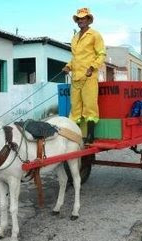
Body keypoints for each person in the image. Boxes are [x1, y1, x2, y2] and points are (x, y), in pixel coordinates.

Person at [62, 7, 106, 144]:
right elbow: (75, 57)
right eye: (79, 19)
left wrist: (92, 67)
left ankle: (91, 136)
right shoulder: (74, 38)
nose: (81, 20)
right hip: (75, 77)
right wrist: (68, 66)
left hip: (89, 76)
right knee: (75, 107)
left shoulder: (95, 35)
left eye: (83, 18)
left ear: (88, 20)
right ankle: (76, 136)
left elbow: (101, 54)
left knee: (89, 105)